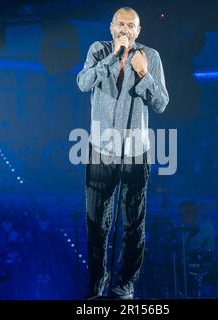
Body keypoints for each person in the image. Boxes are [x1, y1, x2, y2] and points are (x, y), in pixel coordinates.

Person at [77, 7, 169, 299]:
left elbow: (162, 103)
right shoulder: (98, 50)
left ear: (138, 31)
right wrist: (112, 58)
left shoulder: (150, 57)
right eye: (120, 24)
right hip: (100, 148)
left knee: (133, 222)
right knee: (96, 222)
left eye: (131, 26)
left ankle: (126, 283)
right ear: (111, 27)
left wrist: (143, 73)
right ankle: (96, 281)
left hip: (135, 151)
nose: (125, 30)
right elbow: (82, 83)